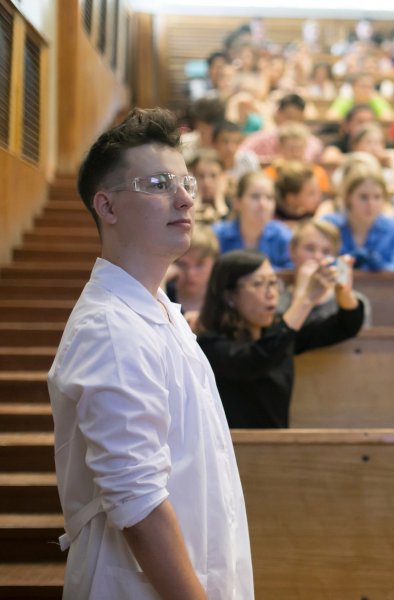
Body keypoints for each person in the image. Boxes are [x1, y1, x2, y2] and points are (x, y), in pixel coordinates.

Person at [48, 108, 253, 598]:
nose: (185, 198)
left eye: (185, 182)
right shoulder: (112, 327)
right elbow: (137, 503)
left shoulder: (156, 306)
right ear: (107, 206)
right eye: (158, 184)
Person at [197, 249, 364, 428]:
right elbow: (257, 359)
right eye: (258, 283)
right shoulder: (209, 344)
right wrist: (305, 299)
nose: (271, 293)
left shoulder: (279, 334)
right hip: (233, 444)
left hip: (277, 443)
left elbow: (347, 325)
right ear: (229, 296)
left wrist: (344, 291)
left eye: (273, 282)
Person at [323, 167, 394, 271]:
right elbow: (317, 263)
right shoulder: (329, 226)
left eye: (377, 197)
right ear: (348, 197)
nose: (371, 204)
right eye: (363, 197)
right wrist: (341, 265)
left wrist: (381, 268)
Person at [213, 171, 294, 270]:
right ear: (237, 202)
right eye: (255, 196)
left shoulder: (284, 236)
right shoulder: (217, 236)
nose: (263, 204)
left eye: (269, 198)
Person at [168, 224, 220, 326]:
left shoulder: (224, 300)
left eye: (200, 264)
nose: (191, 273)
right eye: (182, 264)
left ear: (215, 262)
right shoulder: (161, 295)